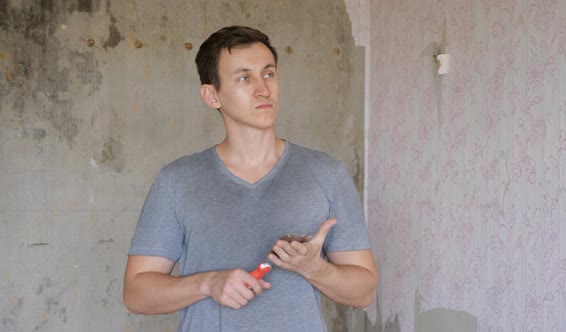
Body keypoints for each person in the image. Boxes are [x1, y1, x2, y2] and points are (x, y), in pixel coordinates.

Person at [123, 25, 378, 331]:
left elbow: (363, 293)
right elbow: (136, 294)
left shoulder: (327, 174)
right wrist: (208, 283)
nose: (263, 89)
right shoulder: (177, 181)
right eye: (245, 77)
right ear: (211, 95)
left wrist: (315, 268)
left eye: (268, 74)